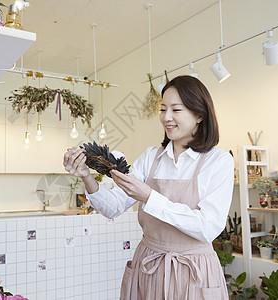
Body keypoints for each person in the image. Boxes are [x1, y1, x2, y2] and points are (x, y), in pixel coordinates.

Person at [63, 75, 234, 299]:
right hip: (149, 265)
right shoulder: (151, 157)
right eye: (163, 109)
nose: (167, 118)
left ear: (199, 115)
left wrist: (150, 197)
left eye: (176, 110)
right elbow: (112, 207)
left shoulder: (218, 161)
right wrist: (85, 175)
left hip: (194, 271)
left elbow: (208, 227)